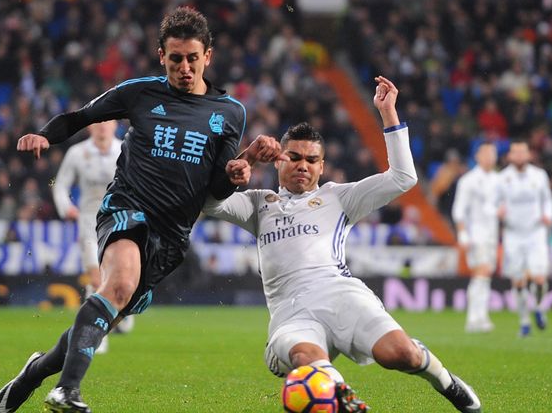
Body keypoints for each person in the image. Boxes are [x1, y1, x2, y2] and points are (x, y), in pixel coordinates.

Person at [0, 6, 284, 413]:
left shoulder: (230, 113)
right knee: (119, 285)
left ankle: (33, 373)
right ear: (161, 55)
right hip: (127, 207)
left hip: (172, 235)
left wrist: (241, 165)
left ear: (208, 57)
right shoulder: (139, 93)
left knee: (104, 313)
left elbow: (214, 188)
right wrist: (44, 136)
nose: (184, 67)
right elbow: (81, 116)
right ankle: (67, 392)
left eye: (192, 58)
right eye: (176, 58)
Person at [204, 76, 482, 413]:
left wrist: (388, 113)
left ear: (322, 166)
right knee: (307, 357)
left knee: (400, 354)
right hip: (291, 312)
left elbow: (403, 177)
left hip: (340, 295)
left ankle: (447, 382)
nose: (302, 165)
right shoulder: (257, 203)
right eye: (294, 157)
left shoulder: (339, 197)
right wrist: (246, 157)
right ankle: (342, 398)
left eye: (311, 160)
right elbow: (209, 203)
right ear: (278, 160)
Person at [52, 120, 129, 355]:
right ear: (89, 127)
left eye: (107, 122)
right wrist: (66, 208)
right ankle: (98, 334)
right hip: (88, 221)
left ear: (115, 125)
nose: (103, 126)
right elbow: (60, 185)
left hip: (120, 219)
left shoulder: (126, 148)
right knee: (96, 278)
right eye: (98, 123)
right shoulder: (78, 153)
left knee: (120, 278)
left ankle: (119, 312)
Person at [496, 140, 552, 337]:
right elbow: (493, 205)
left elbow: (547, 199)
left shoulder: (539, 176)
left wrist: (548, 214)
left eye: (523, 152)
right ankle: (524, 321)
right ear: (510, 156)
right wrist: (498, 212)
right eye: (516, 152)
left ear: (529, 155)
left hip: (535, 232)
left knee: (539, 279)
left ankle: (538, 307)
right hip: (513, 234)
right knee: (519, 281)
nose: (520, 156)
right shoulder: (502, 178)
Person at [452, 142, 500, 333]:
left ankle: (481, 316)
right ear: (478, 156)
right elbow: (459, 209)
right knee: (481, 272)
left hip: (492, 233)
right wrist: (462, 233)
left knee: (486, 274)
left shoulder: (499, 179)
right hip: (476, 232)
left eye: (492, 154)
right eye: (486, 153)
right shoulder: (468, 180)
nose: (490, 157)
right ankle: (473, 317)